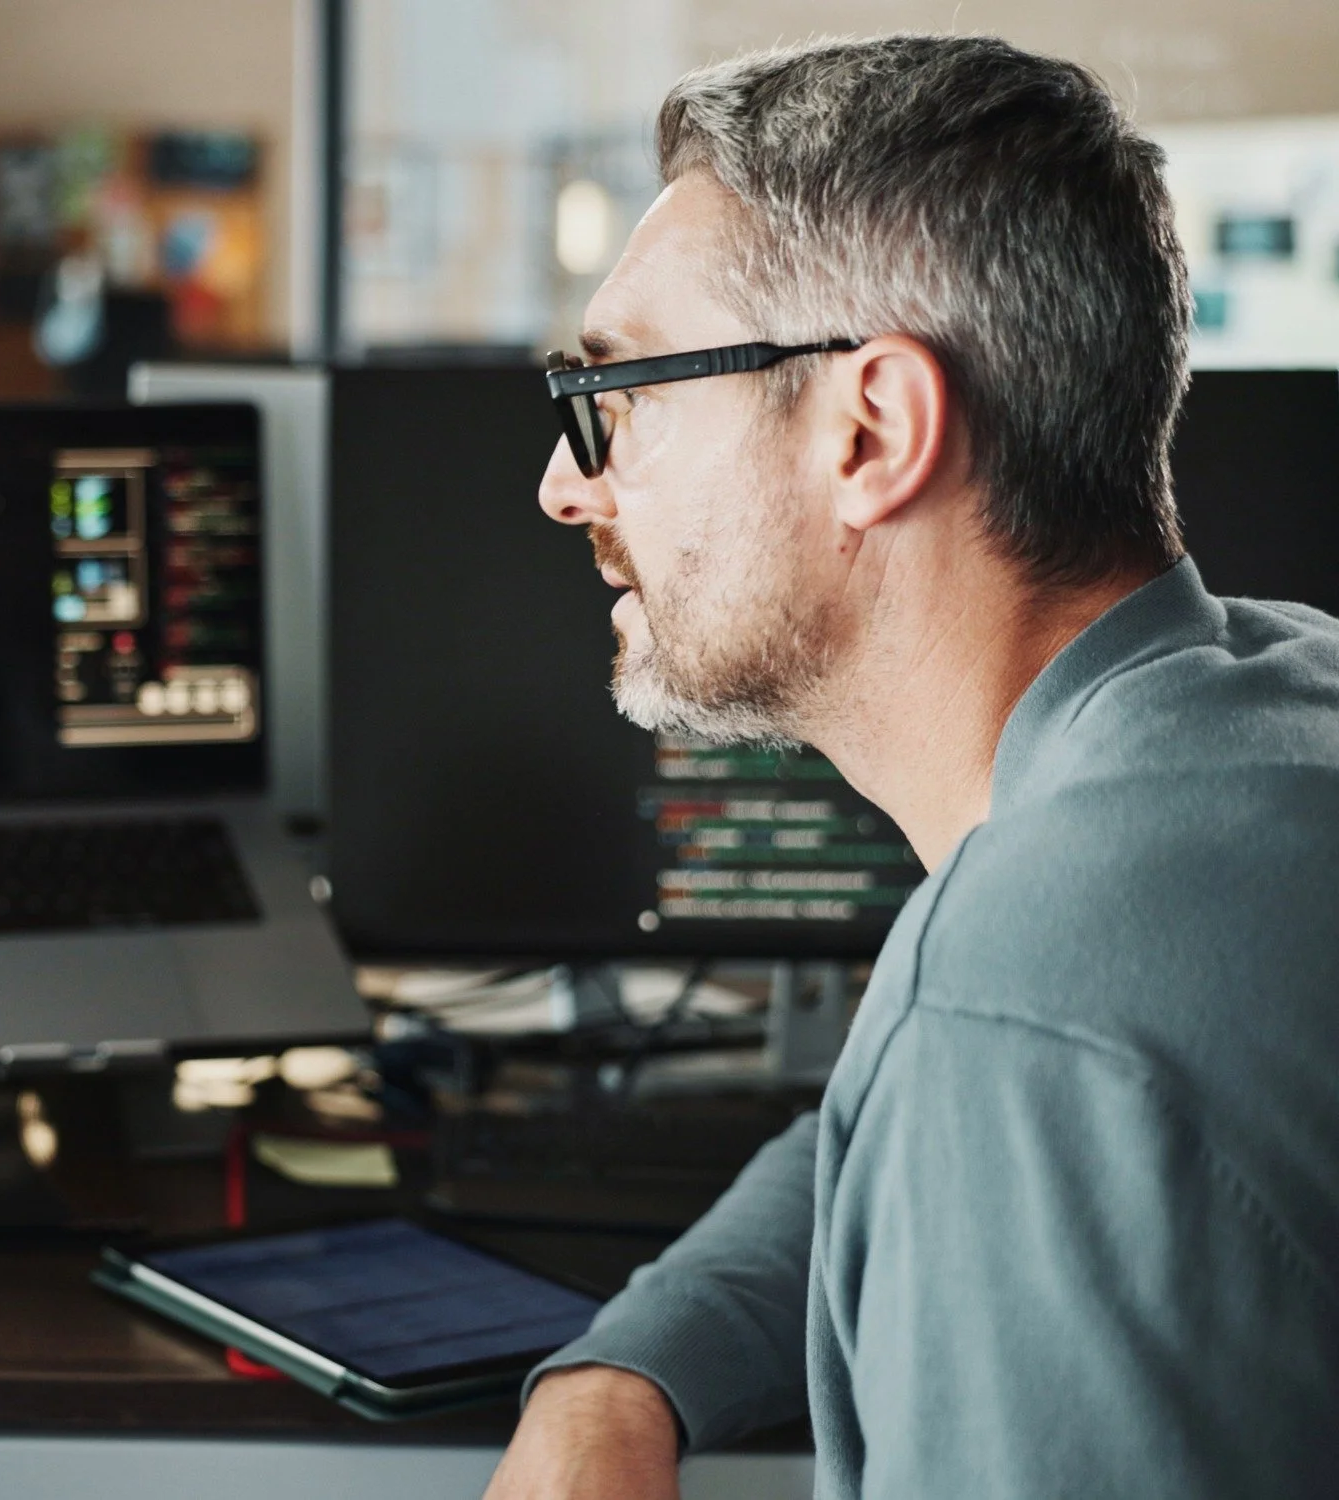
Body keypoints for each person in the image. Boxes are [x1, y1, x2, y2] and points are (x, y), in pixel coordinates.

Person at [486, 34, 1339, 1500]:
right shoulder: (1274, 698)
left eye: (617, 398)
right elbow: (926, 1124)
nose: (570, 484)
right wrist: (628, 1379)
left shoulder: (1030, 1004)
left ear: (871, 428)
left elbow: (1020, 1066)